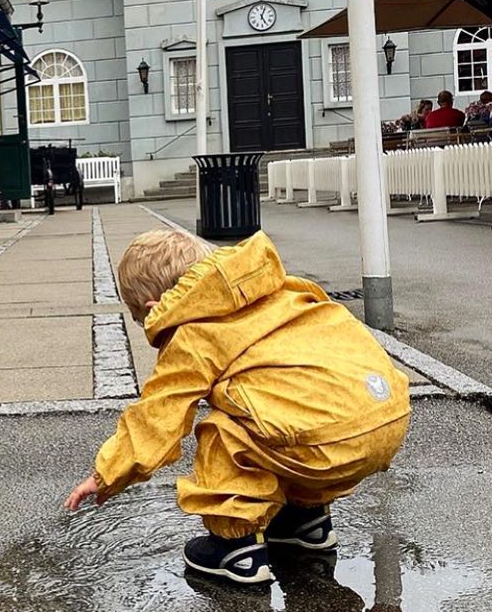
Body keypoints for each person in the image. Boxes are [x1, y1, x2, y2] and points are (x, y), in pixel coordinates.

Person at [63, 229, 411, 584]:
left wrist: (106, 475)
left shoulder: (194, 331)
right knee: (281, 410)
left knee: (224, 433)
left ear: (155, 307)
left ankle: (235, 549)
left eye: (142, 321)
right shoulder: (284, 289)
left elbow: (158, 416)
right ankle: (305, 522)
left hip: (319, 441)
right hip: (387, 411)